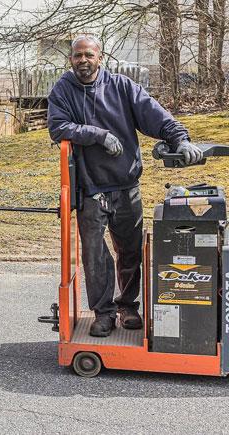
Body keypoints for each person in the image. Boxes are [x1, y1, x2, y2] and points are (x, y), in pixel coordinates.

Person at [48, 35, 203, 337]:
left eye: (88, 55)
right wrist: (97, 134)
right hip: (91, 188)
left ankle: (127, 306)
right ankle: (103, 312)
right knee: (95, 255)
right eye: (78, 55)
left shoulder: (122, 87)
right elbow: (58, 127)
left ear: (100, 57)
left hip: (126, 184)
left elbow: (156, 116)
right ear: (71, 60)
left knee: (130, 250)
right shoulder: (63, 90)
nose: (83, 60)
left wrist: (181, 139)